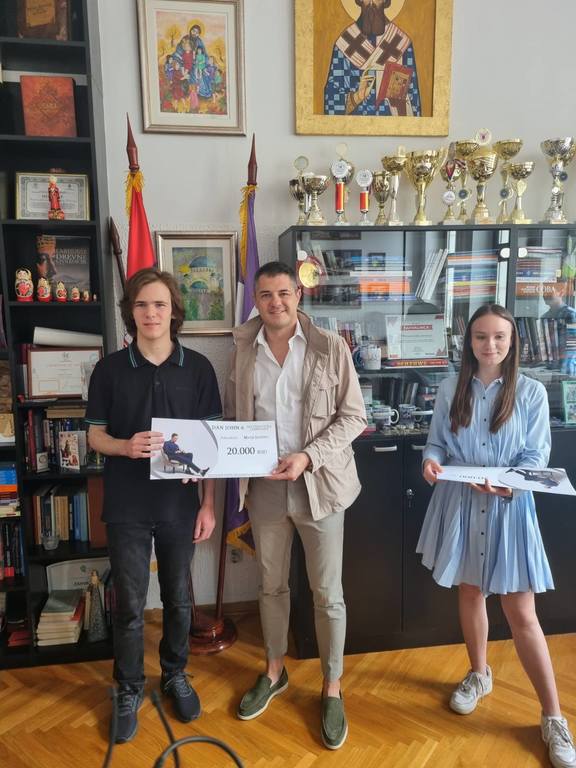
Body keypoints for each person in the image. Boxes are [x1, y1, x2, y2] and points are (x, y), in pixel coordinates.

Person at [417, 303, 576, 768]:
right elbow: (436, 442)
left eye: (499, 337)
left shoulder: (530, 392)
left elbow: (536, 455)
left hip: (509, 506)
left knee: (521, 612)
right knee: (470, 592)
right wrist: (430, 461)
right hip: (461, 503)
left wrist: (510, 483)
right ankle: (479, 673)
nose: (490, 345)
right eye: (481, 336)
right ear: (469, 342)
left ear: (512, 342)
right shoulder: (450, 388)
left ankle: (553, 716)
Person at [224, 261, 366, 750]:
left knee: (327, 592)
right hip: (264, 488)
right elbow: (233, 417)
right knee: (271, 585)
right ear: (256, 301)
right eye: (266, 295)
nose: (275, 303)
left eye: (284, 293)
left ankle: (332, 685)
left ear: (298, 295)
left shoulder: (329, 346)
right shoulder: (243, 349)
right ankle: (274, 670)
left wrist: (308, 456)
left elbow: (353, 417)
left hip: (320, 485)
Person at [86, 268, 222, 744]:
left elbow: (213, 445)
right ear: (131, 312)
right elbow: (94, 435)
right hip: (126, 505)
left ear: (173, 311)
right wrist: (124, 447)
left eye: (159, 304)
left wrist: (208, 505)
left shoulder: (199, 368)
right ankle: (127, 688)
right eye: (142, 304)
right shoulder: (108, 369)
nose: (151, 313)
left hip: (179, 506)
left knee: (179, 598)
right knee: (129, 602)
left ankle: (174, 674)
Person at [324, 0, 421, 116]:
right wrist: (357, 97)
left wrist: (396, 97)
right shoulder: (345, 42)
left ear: (386, 1)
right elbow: (332, 99)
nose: (371, 2)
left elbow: (413, 99)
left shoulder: (401, 43)